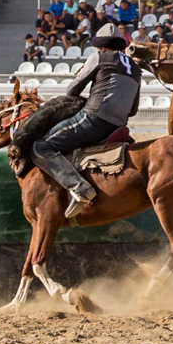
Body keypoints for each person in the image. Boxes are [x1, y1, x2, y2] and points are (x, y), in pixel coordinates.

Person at [31, 23, 141, 219]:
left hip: (94, 119)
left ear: (101, 46)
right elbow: (132, 110)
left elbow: (72, 91)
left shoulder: (98, 56)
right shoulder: (134, 67)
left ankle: (79, 186)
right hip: (119, 126)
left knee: (41, 146)